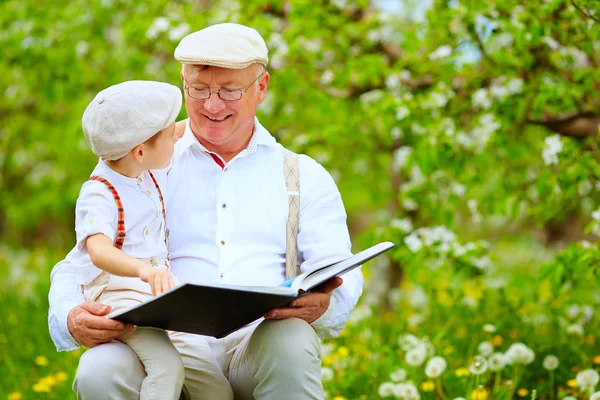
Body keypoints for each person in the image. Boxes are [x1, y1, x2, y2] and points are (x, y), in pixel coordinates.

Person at [48, 23, 364, 400]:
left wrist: (324, 304)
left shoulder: (302, 175)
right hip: (165, 344)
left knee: (292, 339)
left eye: (230, 90)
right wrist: (71, 317)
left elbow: (339, 271)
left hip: (257, 347)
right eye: (199, 89)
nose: (212, 105)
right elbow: (82, 258)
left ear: (261, 88)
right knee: (100, 369)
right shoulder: (144, 161)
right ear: (183, 84)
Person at [72, 80, 185, 399]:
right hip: (120, 296)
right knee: (167, 368)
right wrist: (144, 271)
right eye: (169, 137)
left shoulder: (142, 164)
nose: (176, 138)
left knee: (212, 387)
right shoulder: (99, 193)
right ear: (140, 150)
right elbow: (98, 251)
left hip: (151, 298)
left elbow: (179, 129)